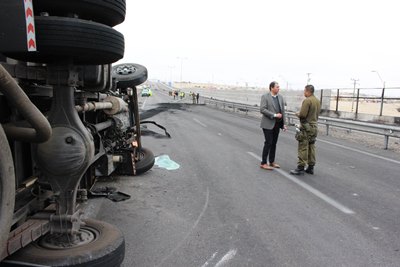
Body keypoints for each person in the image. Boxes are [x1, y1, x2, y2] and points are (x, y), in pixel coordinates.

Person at [290, 84, 321, 175]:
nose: (304, 92)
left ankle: (300, 167)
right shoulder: (317, 101)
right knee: (312, 146)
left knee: (303, 146)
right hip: (314, 126)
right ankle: (311, 167)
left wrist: (297, 114)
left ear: (308, 91)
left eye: (304, 91)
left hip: (306, 127)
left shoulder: (307, 101)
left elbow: (303, 115)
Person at [259, 81, 287, 170]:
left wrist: (284, 124)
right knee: (268, 142)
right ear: (271, 88)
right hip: (268, 123)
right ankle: (263, 163)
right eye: (277, 87)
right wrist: (274, 115)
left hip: (277, 124)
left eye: (279, 87)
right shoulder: (265, 96)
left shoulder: (281, 97)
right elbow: (262, 109)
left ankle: (271, 162)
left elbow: (283, 112)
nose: (279, 88)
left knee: (274, 143)